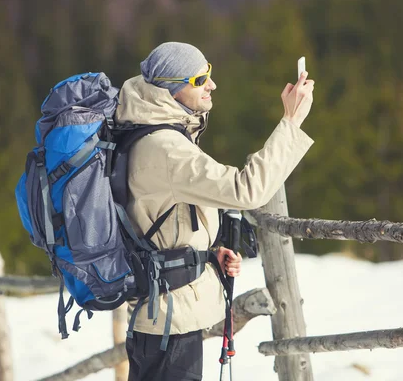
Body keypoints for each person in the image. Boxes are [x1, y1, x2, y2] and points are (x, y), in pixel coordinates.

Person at [115, 42, 315, 381]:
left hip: (162, 315)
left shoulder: (144, 131)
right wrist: (291, 121)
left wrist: (205, 255)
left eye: (209, 72)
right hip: (169, 320)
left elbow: (157, 220)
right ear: (172, 90)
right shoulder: (166, 148)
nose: (212, 84)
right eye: (200, 79)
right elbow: (246, 189)